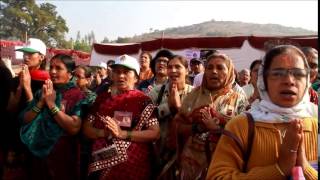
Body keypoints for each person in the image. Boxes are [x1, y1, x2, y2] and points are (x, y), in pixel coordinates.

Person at [207, 45, 318, 180]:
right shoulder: (241, 126)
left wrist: (305, 168)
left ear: (307, 80)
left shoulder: (315, 125)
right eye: (277, 73)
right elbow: (216, 177)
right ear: (263, 81)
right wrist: (278, 169)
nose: (289, 81)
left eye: (298, 74)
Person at [83, 54, 160, 180]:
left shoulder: (143, 101)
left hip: (134, 168)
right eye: (117, 72)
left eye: (126, 72)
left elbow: (155, 133)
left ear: (136, 77)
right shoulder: (102, 99)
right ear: (112, 75)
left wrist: (122, 134)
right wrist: (104, 133)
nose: (121, 76)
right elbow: (87, 128)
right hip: (101, 166)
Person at [175, 53, 248, 180]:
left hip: (224, 164)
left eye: (220, 68)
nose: (214, 71)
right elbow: (177, 125)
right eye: (209, 67)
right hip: (191, 163)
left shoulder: (239, 100)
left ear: (229, 72)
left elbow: (245, 137)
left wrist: (217, 128)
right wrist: (196, 128)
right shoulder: (193, 96)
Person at [20, 54, 91, 180]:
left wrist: (51, 104)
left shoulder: (77, 96)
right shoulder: (43, 91)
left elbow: (74, 128)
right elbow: (25, 119)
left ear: (70, 74)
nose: (52, 71)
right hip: (38, 153)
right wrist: (41, 102)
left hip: (62, 155)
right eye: (51, 67)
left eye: (58, 68)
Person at [148, 55, 193, 174]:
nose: (173, 70)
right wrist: (168, 107)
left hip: (187, 154)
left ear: (187, 71)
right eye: (170, 67)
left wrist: (178, 108)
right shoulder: (156, 92)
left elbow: (197, 123)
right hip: (159, 152)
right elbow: (146, 118)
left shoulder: (195, 94)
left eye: (178, 67)